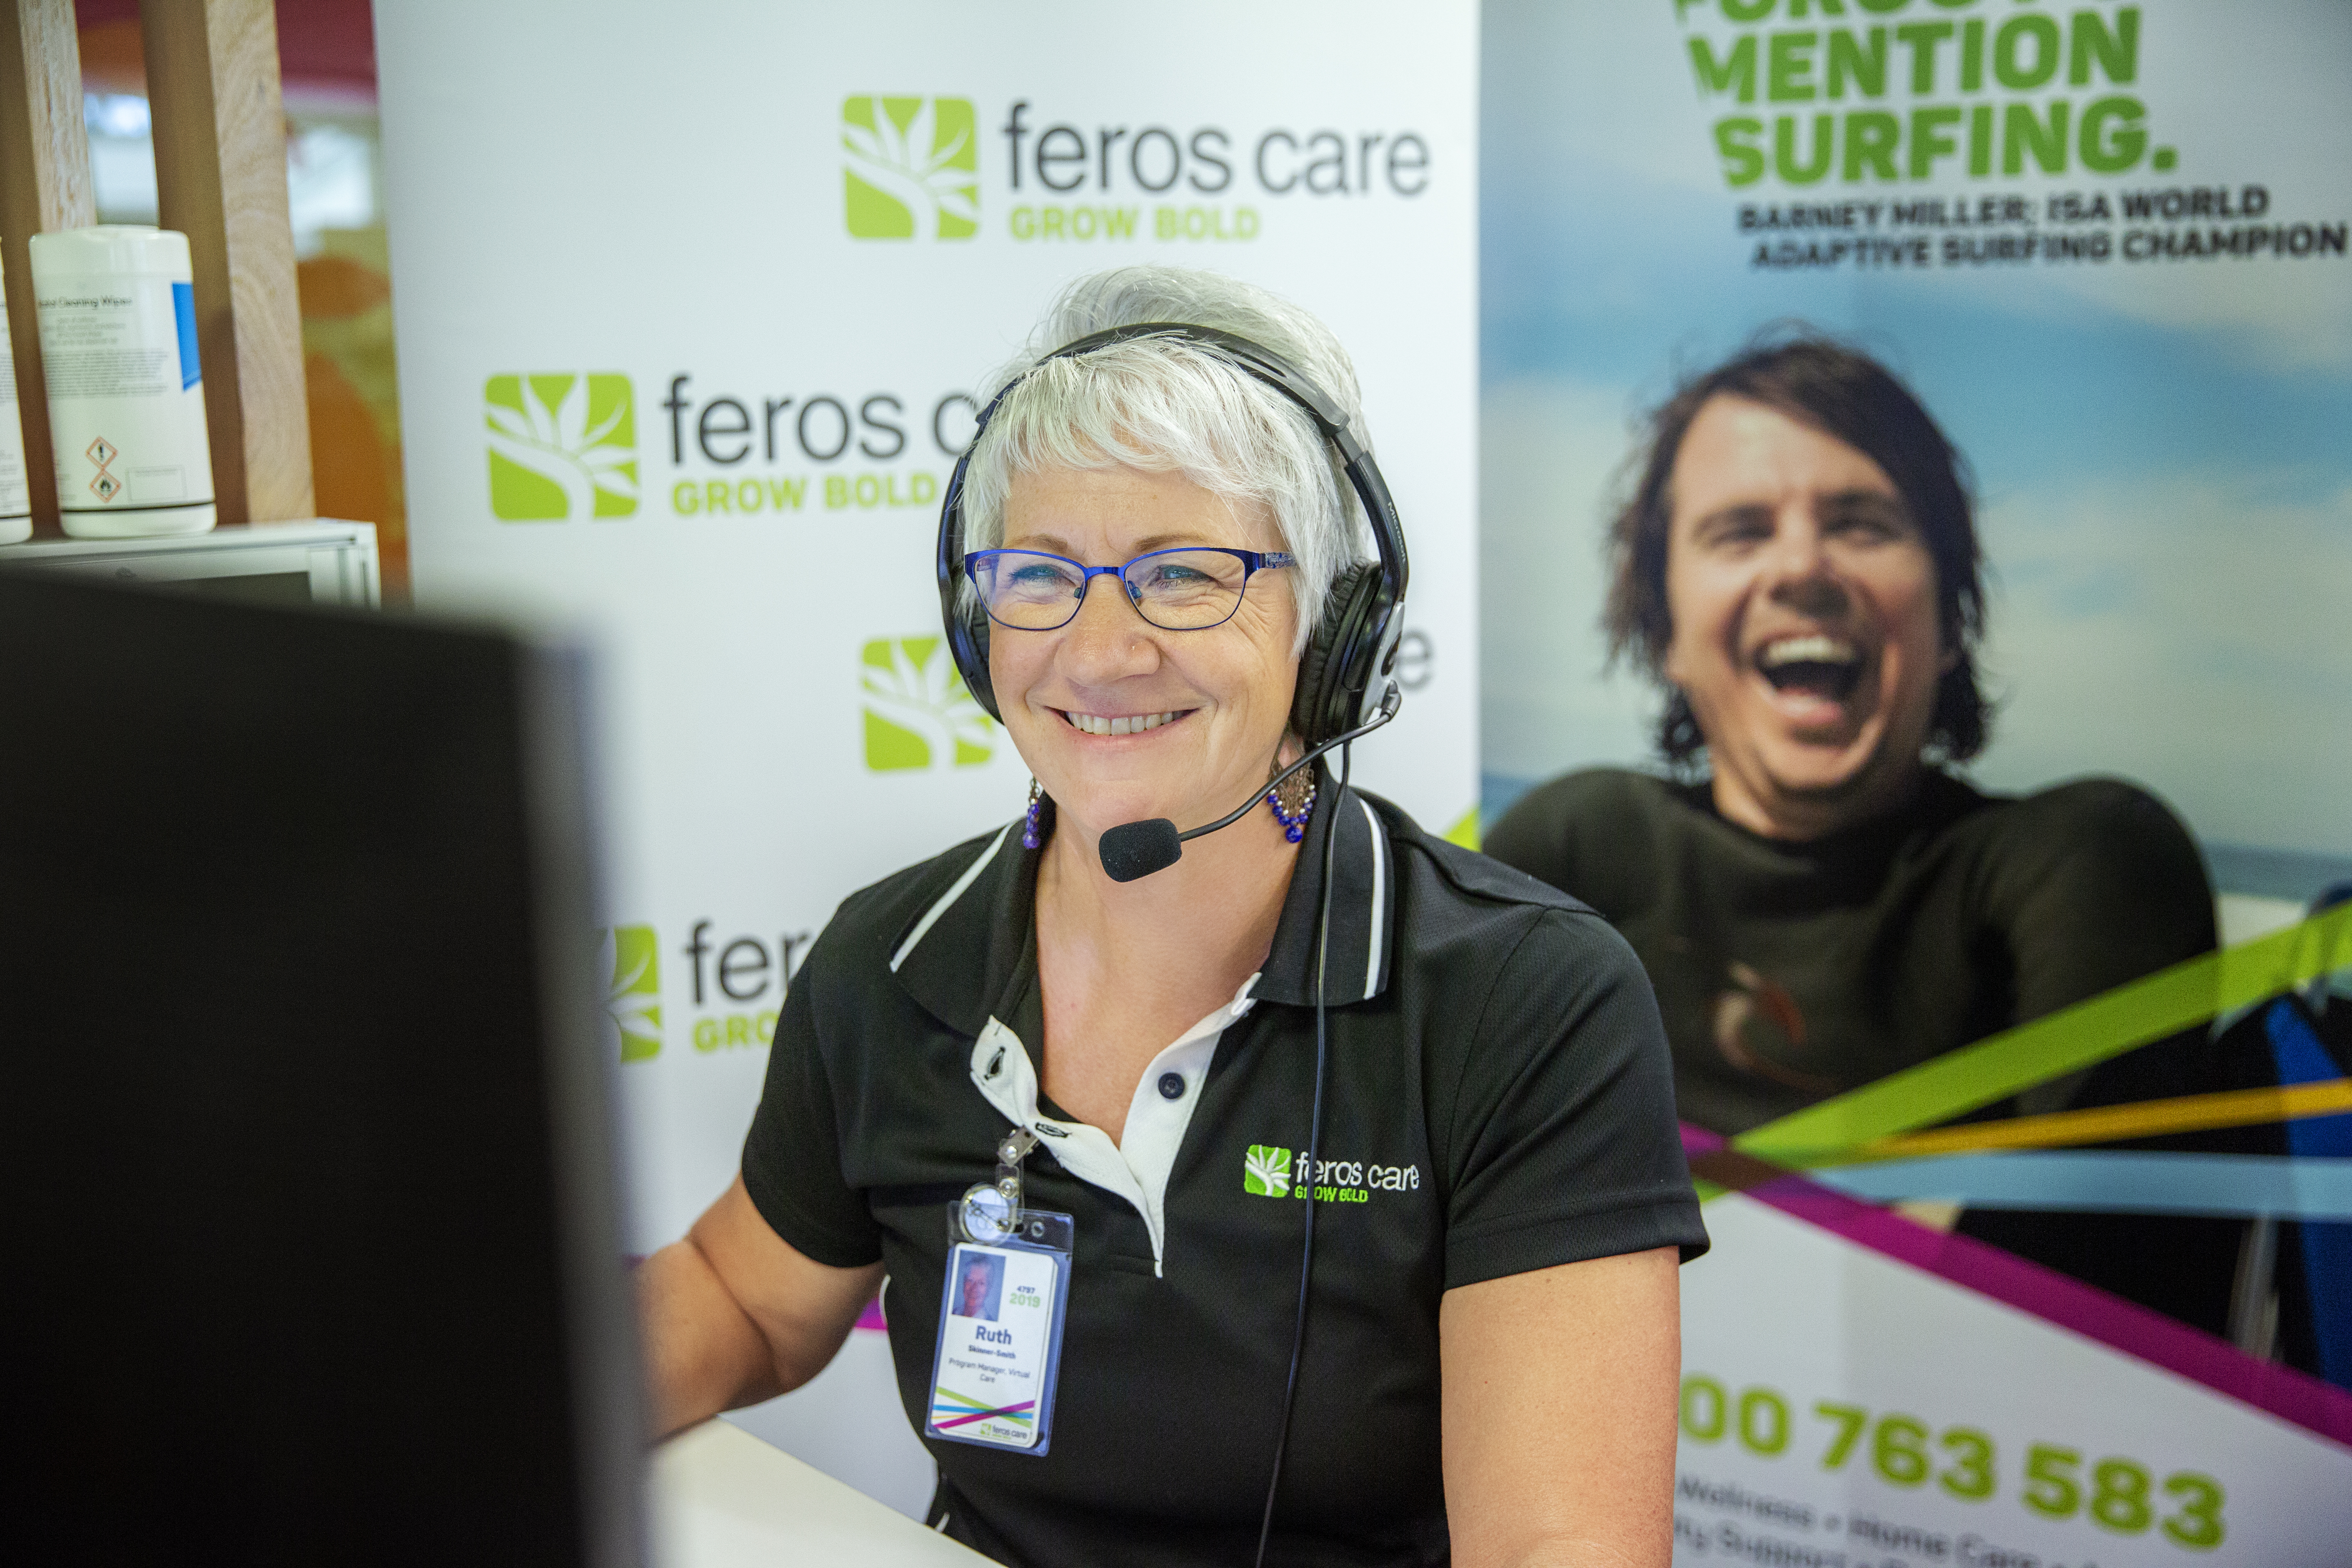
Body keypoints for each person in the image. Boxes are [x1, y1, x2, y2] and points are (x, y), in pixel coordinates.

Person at [637, 265, 1708, 1568]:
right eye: (1041, 575)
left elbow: (1558, 1548)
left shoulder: (1526, 1001)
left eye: (1185, 574)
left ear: (1333, 629)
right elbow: (744, 1303)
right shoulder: (894, 961)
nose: (1100, 651)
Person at [1486, 334, 2275, 1335]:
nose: (1802, 567)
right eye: (1740, 531)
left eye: (1861, 525)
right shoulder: (1578, 850)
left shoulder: (2083, 859)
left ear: (1949, 616)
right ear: (1666, 627)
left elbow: (2081, 1276)